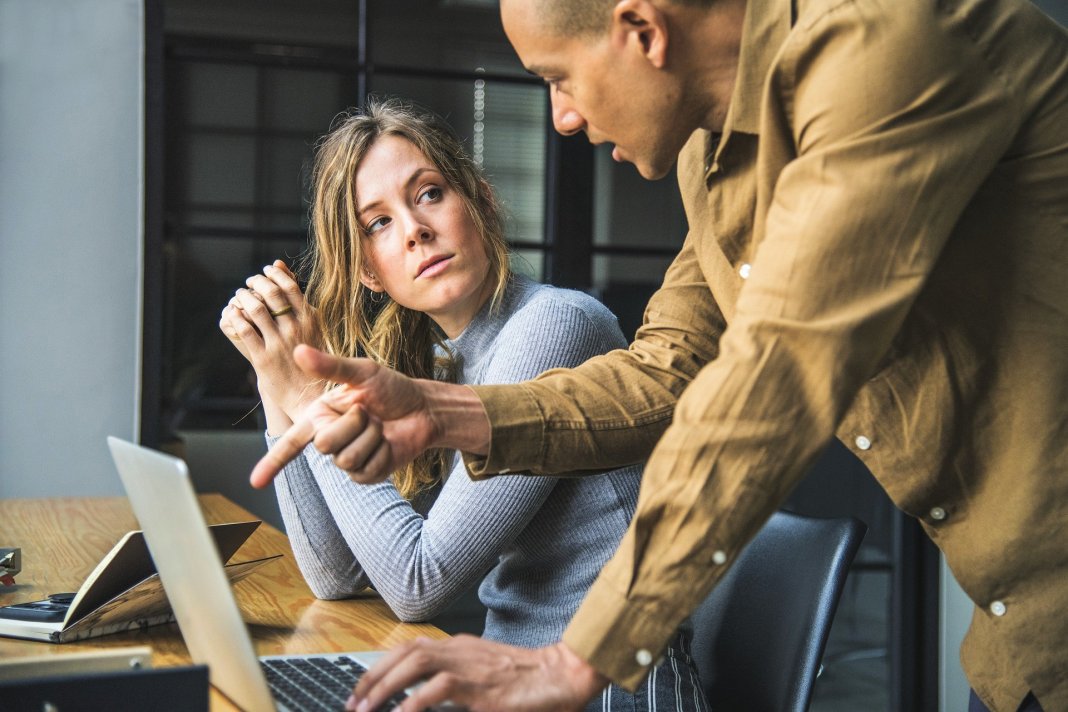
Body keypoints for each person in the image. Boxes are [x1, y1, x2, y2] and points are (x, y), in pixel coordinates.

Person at [253, 0, 1068, 709]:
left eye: (557, 77)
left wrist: (581, 659)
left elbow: (775, 376)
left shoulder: (880, 51)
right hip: (1016, 640)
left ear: (641, 30)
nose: (563, 118)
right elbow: (665, 373)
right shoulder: (710, 158)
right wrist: (435, 412)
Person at [219, 98, 708, 711]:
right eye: (378, 224)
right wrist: (277, 380)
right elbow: (335, 578)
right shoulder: (446, 359)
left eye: (427, 194)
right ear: (370, 273)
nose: (415, 230)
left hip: (608, 692)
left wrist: (309, 396)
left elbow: (416, 582)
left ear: (479, 201)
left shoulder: (555, 325)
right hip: (510, 684)